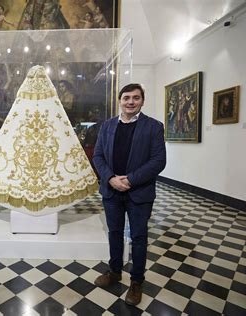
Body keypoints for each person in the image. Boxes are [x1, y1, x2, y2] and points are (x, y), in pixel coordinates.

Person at [92, 83, 166, 306]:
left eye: (136, 98)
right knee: (114, 233)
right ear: (119, 100)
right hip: (111, 190)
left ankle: (136, 282)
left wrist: (131, 179)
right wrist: (111, 179)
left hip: (139, 192)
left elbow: (158, 161)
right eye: (126, 98)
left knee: (139, 237)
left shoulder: (153, 127)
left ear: (142, 101)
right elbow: (98, 157)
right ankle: (114, 272)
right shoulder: (106, 126)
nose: (131, 102)